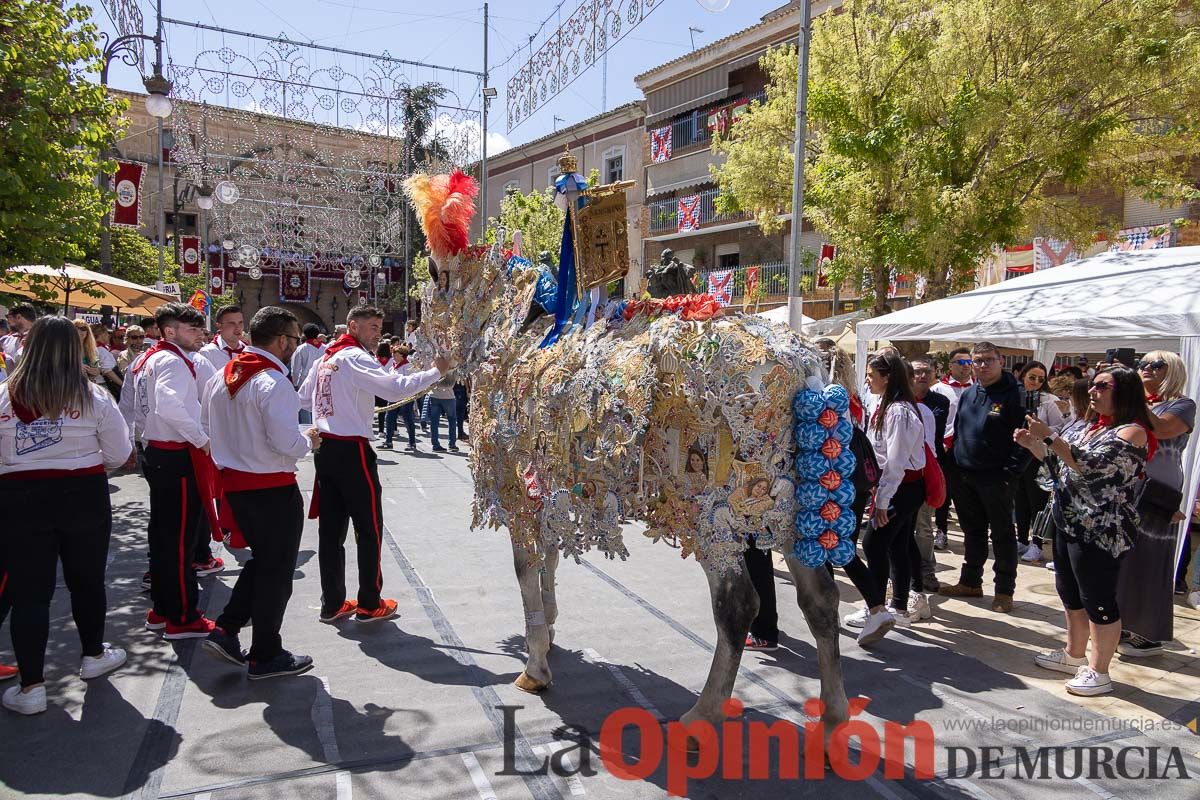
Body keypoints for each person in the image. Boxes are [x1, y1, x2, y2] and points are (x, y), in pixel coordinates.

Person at [0, 317, 132, 715]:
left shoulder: (4, 396)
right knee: (87, 581)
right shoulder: (93, 396)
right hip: (83, 494)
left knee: (29, 594)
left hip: (19, 498)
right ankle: (93, 654)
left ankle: (32, 686)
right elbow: (118, 452)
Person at [299, 305, 449, 623]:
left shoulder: (325, 356)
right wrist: (438, 370)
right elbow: (395, 389)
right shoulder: (354, 357)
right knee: (369, 528)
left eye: (379, 326)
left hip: (325, 448)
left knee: (331, 531)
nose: (377, 332)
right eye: (371, 326)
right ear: (352, 325)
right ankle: (369, 601)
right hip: (352, 450)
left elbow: (302, 396)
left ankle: (332, 602)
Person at [1016, 367, 1153, 696]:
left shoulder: (1133, 432)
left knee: (1098, 599)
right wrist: (1034, 445)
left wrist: (1049, 436)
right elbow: (1060, 463)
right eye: (1093, 386)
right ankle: (1073, 655)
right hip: (1068, 521)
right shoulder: (1088, 426)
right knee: (1071, 594)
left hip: (1101, 529)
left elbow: (1091, 468)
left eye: (1103, 386)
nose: (1093, 391)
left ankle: (1099, 670)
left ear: (1125, 391)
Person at [202, 307, 320, 679]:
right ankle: (265, 653)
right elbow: (286, 442)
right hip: (271, 487)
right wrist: (309, 440)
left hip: (236, 486)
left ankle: (228, 627)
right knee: (276, 572)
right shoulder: (272, 381)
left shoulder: (221, 376)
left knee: (264, 563)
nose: (295, 347)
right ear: (283, 340)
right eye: (295, 340)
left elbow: (208, 426)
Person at [130, 303, 216, 640]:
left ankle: (163, 608)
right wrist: (202, 439)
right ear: (170, 331)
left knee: (165, 536)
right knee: (180, 539)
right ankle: (182, 615)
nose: (199, 335)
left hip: (158, 451)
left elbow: (135, 405)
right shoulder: (172, 360)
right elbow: (168, 403)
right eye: (191, 329)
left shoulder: (148, 358)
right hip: (175, 454)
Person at [843, 352, 927, 645]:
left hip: (902, 487)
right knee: (897, 545)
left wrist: (882, 502)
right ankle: (897, 605)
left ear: (887, 377)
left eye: (870, 374)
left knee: (873, 543)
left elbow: (896, 461)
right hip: (899, 486)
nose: (867, 380)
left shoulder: (899, 412)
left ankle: (875, 607)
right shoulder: (888, 406)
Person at [940, 341, 1029, 613]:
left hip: (997, 477)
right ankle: (970, 582)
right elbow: (958, 430)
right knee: (972, 532)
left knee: (1002, 535)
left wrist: (1010, 473)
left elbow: (1026, 439)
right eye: (975, 361)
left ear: (1001, 361)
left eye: (988, 360)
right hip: (964, 475)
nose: (981, 365)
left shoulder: (1016, 394)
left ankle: (1004, 590)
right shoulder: (969, 393)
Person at [1116, 351, 1195, 656]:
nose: (1146, 369)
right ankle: (1119, 622)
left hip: (1158, 491)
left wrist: (1134, 399)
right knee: (1123, 557)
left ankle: (1148, 634)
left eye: (1156, 365)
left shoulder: (1183, 404)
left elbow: (1162, 429)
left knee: (1150, 559)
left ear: (1172, 371)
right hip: (1126, 487)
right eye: (1142, 365)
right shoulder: (1137, 404)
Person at [910, 356, 954, 595]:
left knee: (924, 526)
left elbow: (929, 427)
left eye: (927, 371)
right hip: (903, 470)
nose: (923, 376)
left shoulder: (939, 401)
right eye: (918, 372)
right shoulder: (898, 399)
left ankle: (927, 571)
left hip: (927, 469)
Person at [1016, 361, 1065, 562]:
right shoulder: (1013, 395)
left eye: (1040, 379)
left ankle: (1036, 543)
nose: (1036, 382)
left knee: (1036, 500)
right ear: (1023, 376)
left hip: (1038, 455)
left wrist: (1042, 431)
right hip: (1015, 455)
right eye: (1032, 377)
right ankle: (1021, 539)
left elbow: (1060, 428)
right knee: (1019, 500)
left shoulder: (1049, 400)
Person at [929, 346, 973, 551]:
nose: (966, 367)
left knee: (968, 493)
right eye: (961, 363)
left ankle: (972, 533)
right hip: (946, 448)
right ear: (951, 365)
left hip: (971, 449)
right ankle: (941, 530)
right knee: (944, 492)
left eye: (968, 363)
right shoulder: (939, 389)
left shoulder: (979, 388)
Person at [382, 345, 418, 451]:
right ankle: (388, 441)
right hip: (393, 396)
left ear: (402, 356)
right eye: (393, 354)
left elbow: (410, 381)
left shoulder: (408, 367)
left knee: (408, 419)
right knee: (389, 418)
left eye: (396, 354)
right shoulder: (392, 367)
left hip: (405, 397)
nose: (393, 356)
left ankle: (412, 442)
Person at [290, 323, 325, 424]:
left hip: (304, 381)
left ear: (304, 334)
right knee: (319, 406)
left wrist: (295, 384)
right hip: (321, 380)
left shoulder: (301, 348)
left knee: (303, 406)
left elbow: (295, 369)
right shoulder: (325, 348)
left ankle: (307, 428)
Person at [198, 306, 246, 370]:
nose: (238, 328)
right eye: (232, 323)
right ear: (219, 326)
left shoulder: (248, 350)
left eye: (240, 323)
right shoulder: (207, 353)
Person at [427, 370, 459, 452]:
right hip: (448, 397)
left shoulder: (435, 367)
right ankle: (452, 444)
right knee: (452, 420)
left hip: (434, 395)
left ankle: (435, 444)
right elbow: (455, 379)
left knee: (434, 422)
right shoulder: (452, 367)